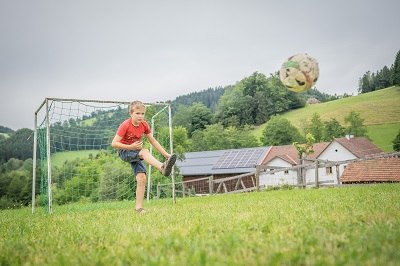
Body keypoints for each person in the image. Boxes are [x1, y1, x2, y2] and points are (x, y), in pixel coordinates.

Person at [111, 101, 176, 214]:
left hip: (136, 152)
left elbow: (153, 140)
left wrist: (166, 154)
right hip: (125, 151)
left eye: (142, 113)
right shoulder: (125, 125)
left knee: (142, 178)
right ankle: (162, 167)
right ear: (130, 113)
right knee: (145, 152)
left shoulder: (144, 125)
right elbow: (114, 143)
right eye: (137, 113)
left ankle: (139, 208)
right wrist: (130, 146)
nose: (140, 116)